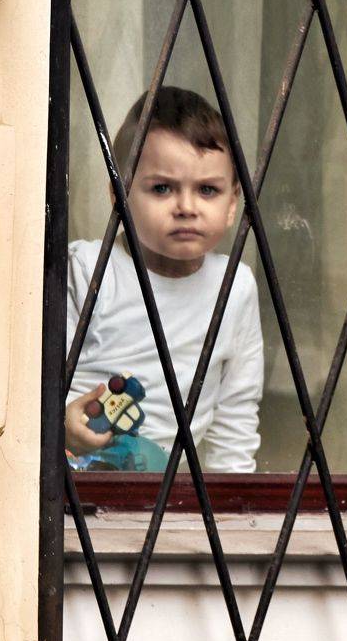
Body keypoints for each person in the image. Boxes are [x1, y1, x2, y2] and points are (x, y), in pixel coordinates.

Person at [65, 87, 263, 472]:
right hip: (72, 474)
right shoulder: (88, 269)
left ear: (232, 204)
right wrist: (60, 423)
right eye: (162, 188)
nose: (186, 207)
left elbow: (235, 413)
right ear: (119, 194)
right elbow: (32, 384)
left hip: (161, 488)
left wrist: (232, 497)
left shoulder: (235, 287)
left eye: (207, 190)